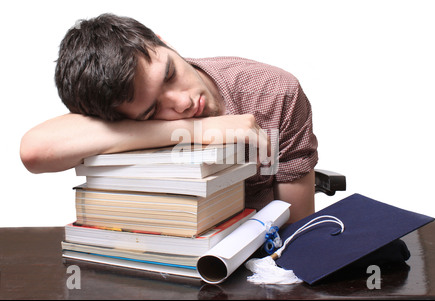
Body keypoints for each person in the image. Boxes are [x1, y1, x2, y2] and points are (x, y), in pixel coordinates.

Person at [20, 14, 318, 223]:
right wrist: (195, 129)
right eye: (152, 112)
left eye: (170, 74)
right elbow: (34, 152)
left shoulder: (273, 92)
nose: (184, 101)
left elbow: (299, 228)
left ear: (163, 43)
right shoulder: (121, 108)